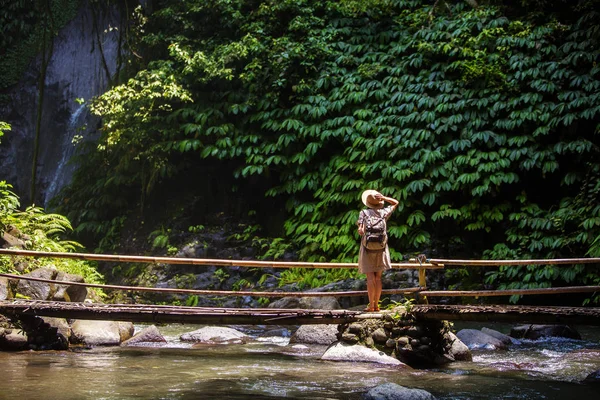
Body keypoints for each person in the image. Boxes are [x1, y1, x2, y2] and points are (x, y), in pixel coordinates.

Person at [357, 189, 399, 312]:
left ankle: (371, 306)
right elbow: (395, 203)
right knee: (378, 278)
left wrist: (360, 229)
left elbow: (361, 228)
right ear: (378, 201)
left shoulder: (364, 213)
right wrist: (384, 198)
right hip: (381, 248)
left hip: (367, 248)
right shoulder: (384, 212)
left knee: (370, 278)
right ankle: (377, 305)